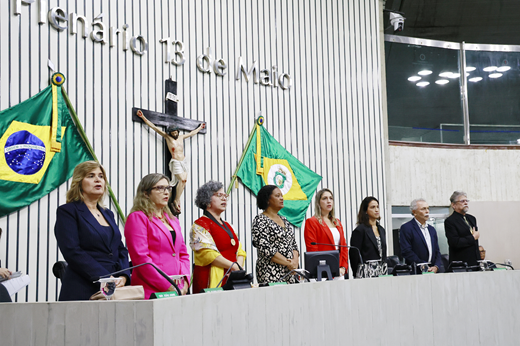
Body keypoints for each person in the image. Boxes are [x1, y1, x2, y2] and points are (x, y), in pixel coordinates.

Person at [54, 161, 130, 301]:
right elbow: (72, 251)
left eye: (101, 176)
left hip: (115, 286)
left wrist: (124, 275)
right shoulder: (68, 211)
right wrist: (104, 277)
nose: (97, 180)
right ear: (79, 182)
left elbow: (120, 249)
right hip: (83, 286)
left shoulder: (108, 214)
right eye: (91, 176)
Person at [125, 173, 190, 299]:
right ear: (146, 193)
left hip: (180, 288)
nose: (166, 192)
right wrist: (169, 286)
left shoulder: (173, 220)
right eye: (160, 188)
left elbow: (183, 254)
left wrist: (185, 282)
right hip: (152, 290)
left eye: (168, 188)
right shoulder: (138, 217)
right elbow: (141, 259)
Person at [137, 109, 205, 214]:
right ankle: (176, 200)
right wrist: (143, 117)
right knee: (182, 179)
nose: (174, 134)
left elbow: (192, 133)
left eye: (176, 132)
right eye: (173, 132)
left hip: (184, 161)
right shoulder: (168, 137)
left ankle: (177, 200)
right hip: (176, 162)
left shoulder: (181, 137)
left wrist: (200, 127)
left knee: (184, 181)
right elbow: (154, 127)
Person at [190, 181, 246, 293]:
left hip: (231, 275)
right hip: (210, 278)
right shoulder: (199, 225)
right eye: (219, 195)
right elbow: (208, 254)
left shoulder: (229, 225)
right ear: (207, 200)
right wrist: (234, 267)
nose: (224, 199)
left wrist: (237, 268)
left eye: (225, 196)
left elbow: (239, 250)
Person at [252, 185, 299, 284]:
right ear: (267, 200)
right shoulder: (260, 220)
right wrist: (288, 263)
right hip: (270, 272)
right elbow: (265, 249)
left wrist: (295, 262)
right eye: (277, 196)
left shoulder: (284, 220)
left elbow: (294, 245)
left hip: (291, 272)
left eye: (282, 195)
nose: (282, 198)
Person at [304, 188, 348, 276]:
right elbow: (312, 250)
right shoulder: (312, 222)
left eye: (331, 198)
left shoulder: (337, 222)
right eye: (324, 198)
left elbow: (344, 248)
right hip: (324, 270)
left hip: (341, 270)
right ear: (318, 202)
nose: (329, 201)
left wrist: (343, 267)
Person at [399, 198, 443, 273]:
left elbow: (437, 251)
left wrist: (436, 266)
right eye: (423, 209)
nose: (427, 211)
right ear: (414, 212)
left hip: (433, 271)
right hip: (416, 271)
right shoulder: (407, 228)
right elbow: (406, 251)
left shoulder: (431, 229)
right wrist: (423, 265)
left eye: (428, 208)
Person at [350, 197, 387, 278]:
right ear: (365, 211)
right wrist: (358, 272)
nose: (376, 210)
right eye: (372, 207)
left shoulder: (381, 229)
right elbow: (354, 255)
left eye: (377, 207)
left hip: (381, 270)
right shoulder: (360, 230)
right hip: (366, 271)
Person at [444, 191, 480, 267]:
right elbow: (455, 242)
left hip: (475, 262)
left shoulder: (472, 218)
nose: (466, 203)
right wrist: (472, 238)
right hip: (461, 263)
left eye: (466, 201)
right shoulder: (450, 221)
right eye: (462, 201)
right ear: (453, 205)